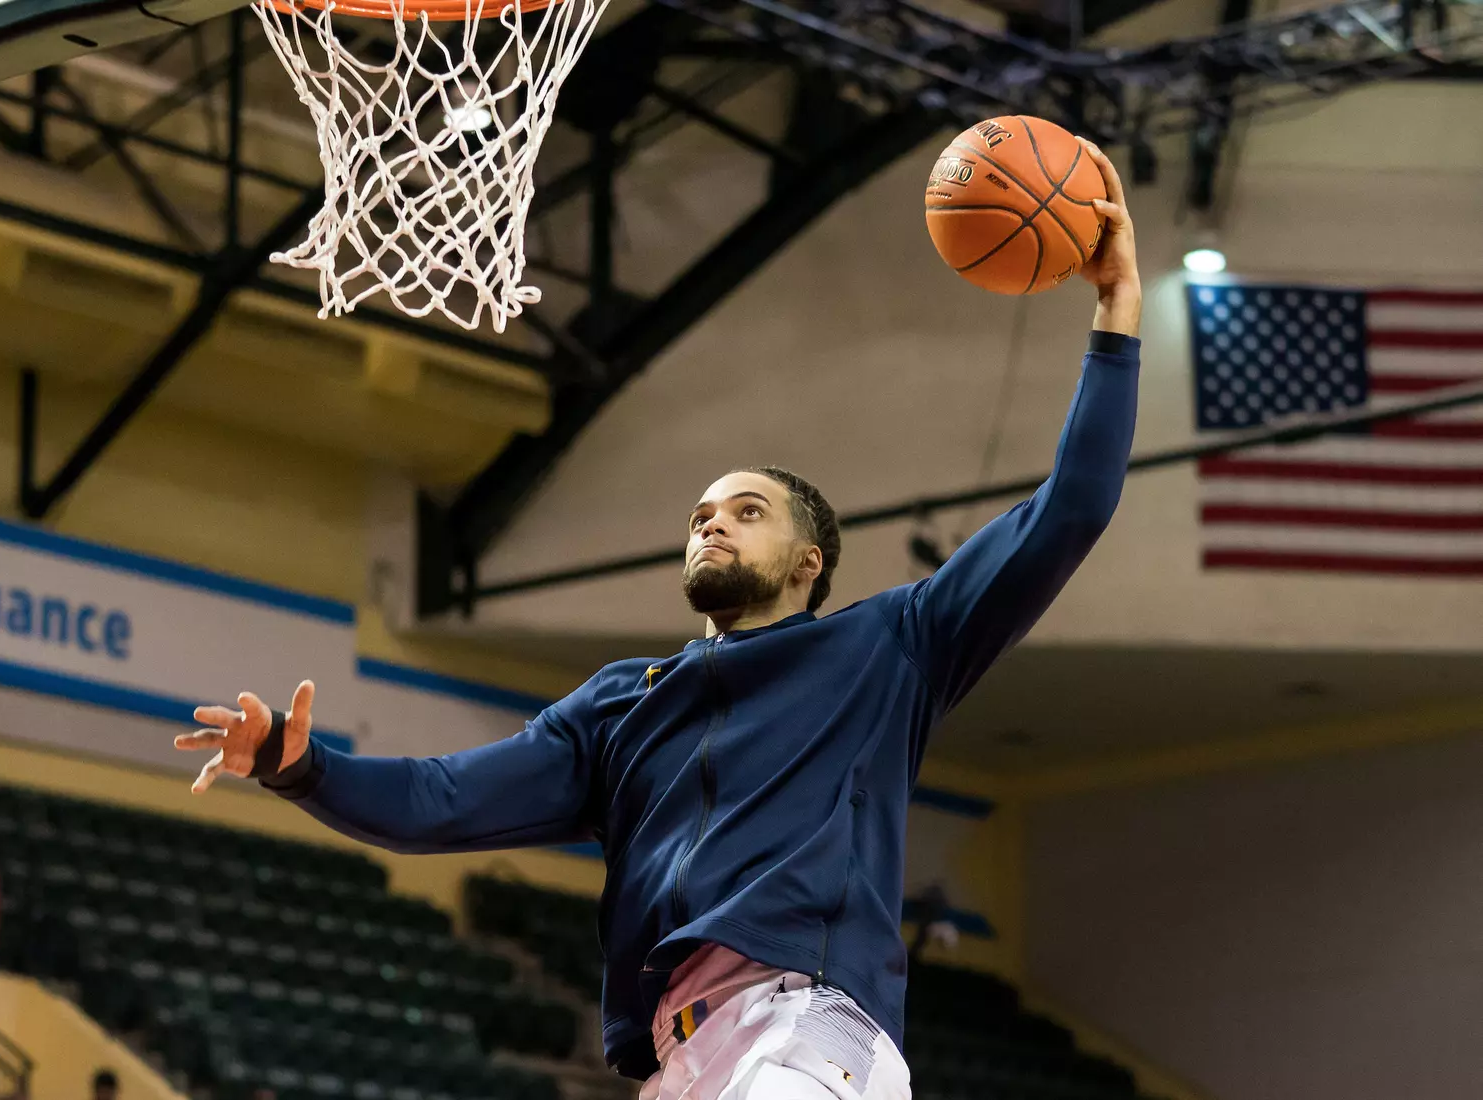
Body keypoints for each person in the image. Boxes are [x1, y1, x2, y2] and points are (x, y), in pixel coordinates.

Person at [178, 140, 1142, 1100]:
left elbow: (1069, 509)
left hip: (805, 1024)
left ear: (809, 562)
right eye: (700, 515)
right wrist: (301, 768)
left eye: (747, 511)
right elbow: (440, 800)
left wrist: (1115, 308)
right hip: (680, 1056)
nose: (712, 522)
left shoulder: (886, 648)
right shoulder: (617, 708)